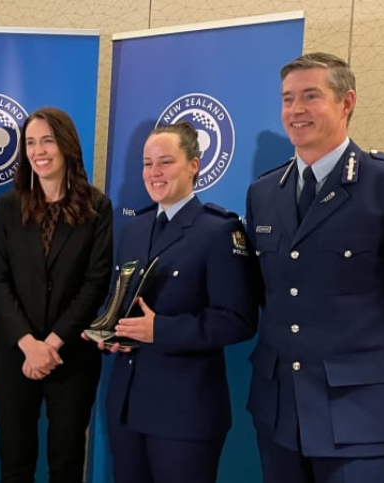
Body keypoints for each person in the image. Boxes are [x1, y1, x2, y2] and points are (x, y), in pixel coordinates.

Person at [245, 52, 384, 483]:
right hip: (280, 416)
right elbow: (270, 297)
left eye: (310, 96)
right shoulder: (265, 192)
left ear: (347, 102)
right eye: (287, 99)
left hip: (363, 419)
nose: (296, 110)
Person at [91, 122, 259, 483]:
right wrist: (107, 331)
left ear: (194, 165)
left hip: (185, 412)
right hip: (128, 406)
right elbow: (118, 299)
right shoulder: (135, 228)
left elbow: (238, 320)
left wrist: (160, 330)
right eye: (147, 164)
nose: (154, 173)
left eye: (165, 162)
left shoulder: (218, 231)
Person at [0, 106, 113, 483]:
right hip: (15, 353)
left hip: (71, 355)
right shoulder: (9, 206)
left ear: (67, 145)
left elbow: (96, 282)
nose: (39, 150)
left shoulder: (97, 207)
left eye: (48, 140)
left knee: (66, 458)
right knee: (15, 458)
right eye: (30, 142)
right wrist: (29, 343)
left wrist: (53, 343)